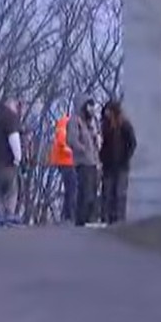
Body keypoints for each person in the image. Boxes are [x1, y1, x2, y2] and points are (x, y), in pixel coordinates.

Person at [99, 100, 137, 225]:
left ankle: (119, 219)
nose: (107, 115)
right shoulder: (106, 126)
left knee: (119, 193)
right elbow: (104, 145)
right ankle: (108, 218)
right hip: (109, 165)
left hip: (121, 165)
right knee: (108, 193)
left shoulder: (124, 125)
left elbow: (132, 143)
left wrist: (125, 157)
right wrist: (102, 157)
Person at [69, 94, 100, 226]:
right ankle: (82, 219)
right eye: (89, 106)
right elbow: (72, 140)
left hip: (93, 161)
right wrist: (83, 149)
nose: (91, 109)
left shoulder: (90, 122)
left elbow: (94, 138)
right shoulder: (75, 121)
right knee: (85, 191)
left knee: (92, 190)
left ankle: (90, 217)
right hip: (83, 162)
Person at [47, 113, 75, 222]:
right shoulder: (66, 124)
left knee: (70, 190)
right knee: (72, 189)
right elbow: (62, 143)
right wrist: (74, 152)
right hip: (66, 162)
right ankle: (69, 216)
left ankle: (68, 215)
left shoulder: (64, 124)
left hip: (64, 162)